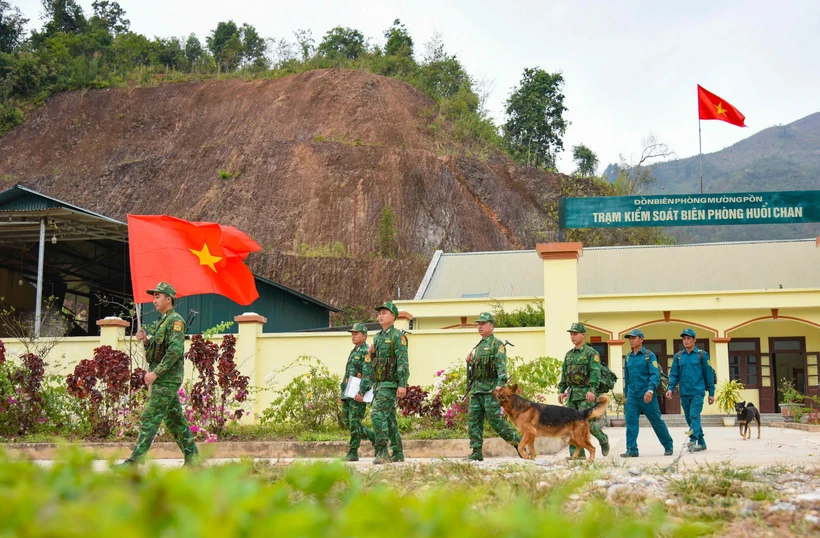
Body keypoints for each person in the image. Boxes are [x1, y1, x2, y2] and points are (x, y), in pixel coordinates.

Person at [119, 282, 199, 466]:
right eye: (153, 296)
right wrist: (146, 341)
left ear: (168, 299)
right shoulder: (163, 321)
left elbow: (174, 352)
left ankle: (135, 461)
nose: (154, 300)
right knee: (175, 420)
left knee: (150, 415)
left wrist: (155, 373)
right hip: (164, 379)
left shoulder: (176, 321)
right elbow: (157, 353)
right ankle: (193, 459)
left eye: (157, 296)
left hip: (167, 379)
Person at [463, 312, 522, 461]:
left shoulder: (497, 345)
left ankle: (519, 442)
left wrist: (500, 386)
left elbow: (501, 369)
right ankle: (476, 452)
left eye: (483, 324)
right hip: (477, 390)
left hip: (490, 391)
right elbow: (478, 370)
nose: (479, 326)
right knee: (473, 420)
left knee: (495, 421)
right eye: (478, 324)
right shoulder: (479, 346)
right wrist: (469, 363)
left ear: (492, 326)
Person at [358, 300, 408, 464]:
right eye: (379, 313)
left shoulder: (397, 337)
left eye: (384, 312)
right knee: (389, 419)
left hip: (390, 384)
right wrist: (372, 354)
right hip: (379, 384)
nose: (380, 315)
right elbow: (375, 363)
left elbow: (402, 362)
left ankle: (382, 451)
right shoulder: (378, 337)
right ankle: (398, 452)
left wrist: (402, 383)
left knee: (377, 414)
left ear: (393, 316)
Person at [557, 322, 610, 458]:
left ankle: (603, 439)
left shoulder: (591, 353)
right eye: (571, 334)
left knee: (588, 424)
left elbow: (595, 372)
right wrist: (561, 390)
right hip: (572, 394)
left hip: (586, 393)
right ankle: (577, 456)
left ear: (583, 335)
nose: (572, 337)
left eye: (575, 334)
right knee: (570, 425)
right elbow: (564, 374)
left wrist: (592, 390)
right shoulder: (569, 355)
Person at [620, 328, 673, 458]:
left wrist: (650, 390)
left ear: (641, 339)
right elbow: (627, 378)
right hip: (632, 395)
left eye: (634, 338)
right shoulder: (628, 357)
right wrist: (626, 395)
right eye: (630, 338)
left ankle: (668, 445)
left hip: (647, 395)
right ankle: (631, 449)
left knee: (656, 421)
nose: (631, 340)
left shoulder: (649, 356)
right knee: (631, 422)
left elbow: (654, 374)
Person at [666, 328, 715, 452]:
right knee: (689, 418)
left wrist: (711, 393)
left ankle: (692, 440)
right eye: (684, 339)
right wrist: (670, 388)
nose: (686, 341)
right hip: (684, 392)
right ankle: (702, 442)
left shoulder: (701, 355)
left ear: (694, 340)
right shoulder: (678, 356)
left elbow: (708, 374)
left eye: (689, 338)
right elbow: (673, 374)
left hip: (697, 391)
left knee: (694, 415)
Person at [340, 322, 376, 461]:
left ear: (365, 336)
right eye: (352, 334)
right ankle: (373, 436)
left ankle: (353, 452)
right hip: (348, 392)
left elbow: (367, 374)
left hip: (358, 393)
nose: (353, 336)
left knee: (354, 422)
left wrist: (361, 392)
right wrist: (342, 392)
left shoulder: (366, 351)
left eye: (356, 333)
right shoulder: (354, 351)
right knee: (347, 421)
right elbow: (348, 374)